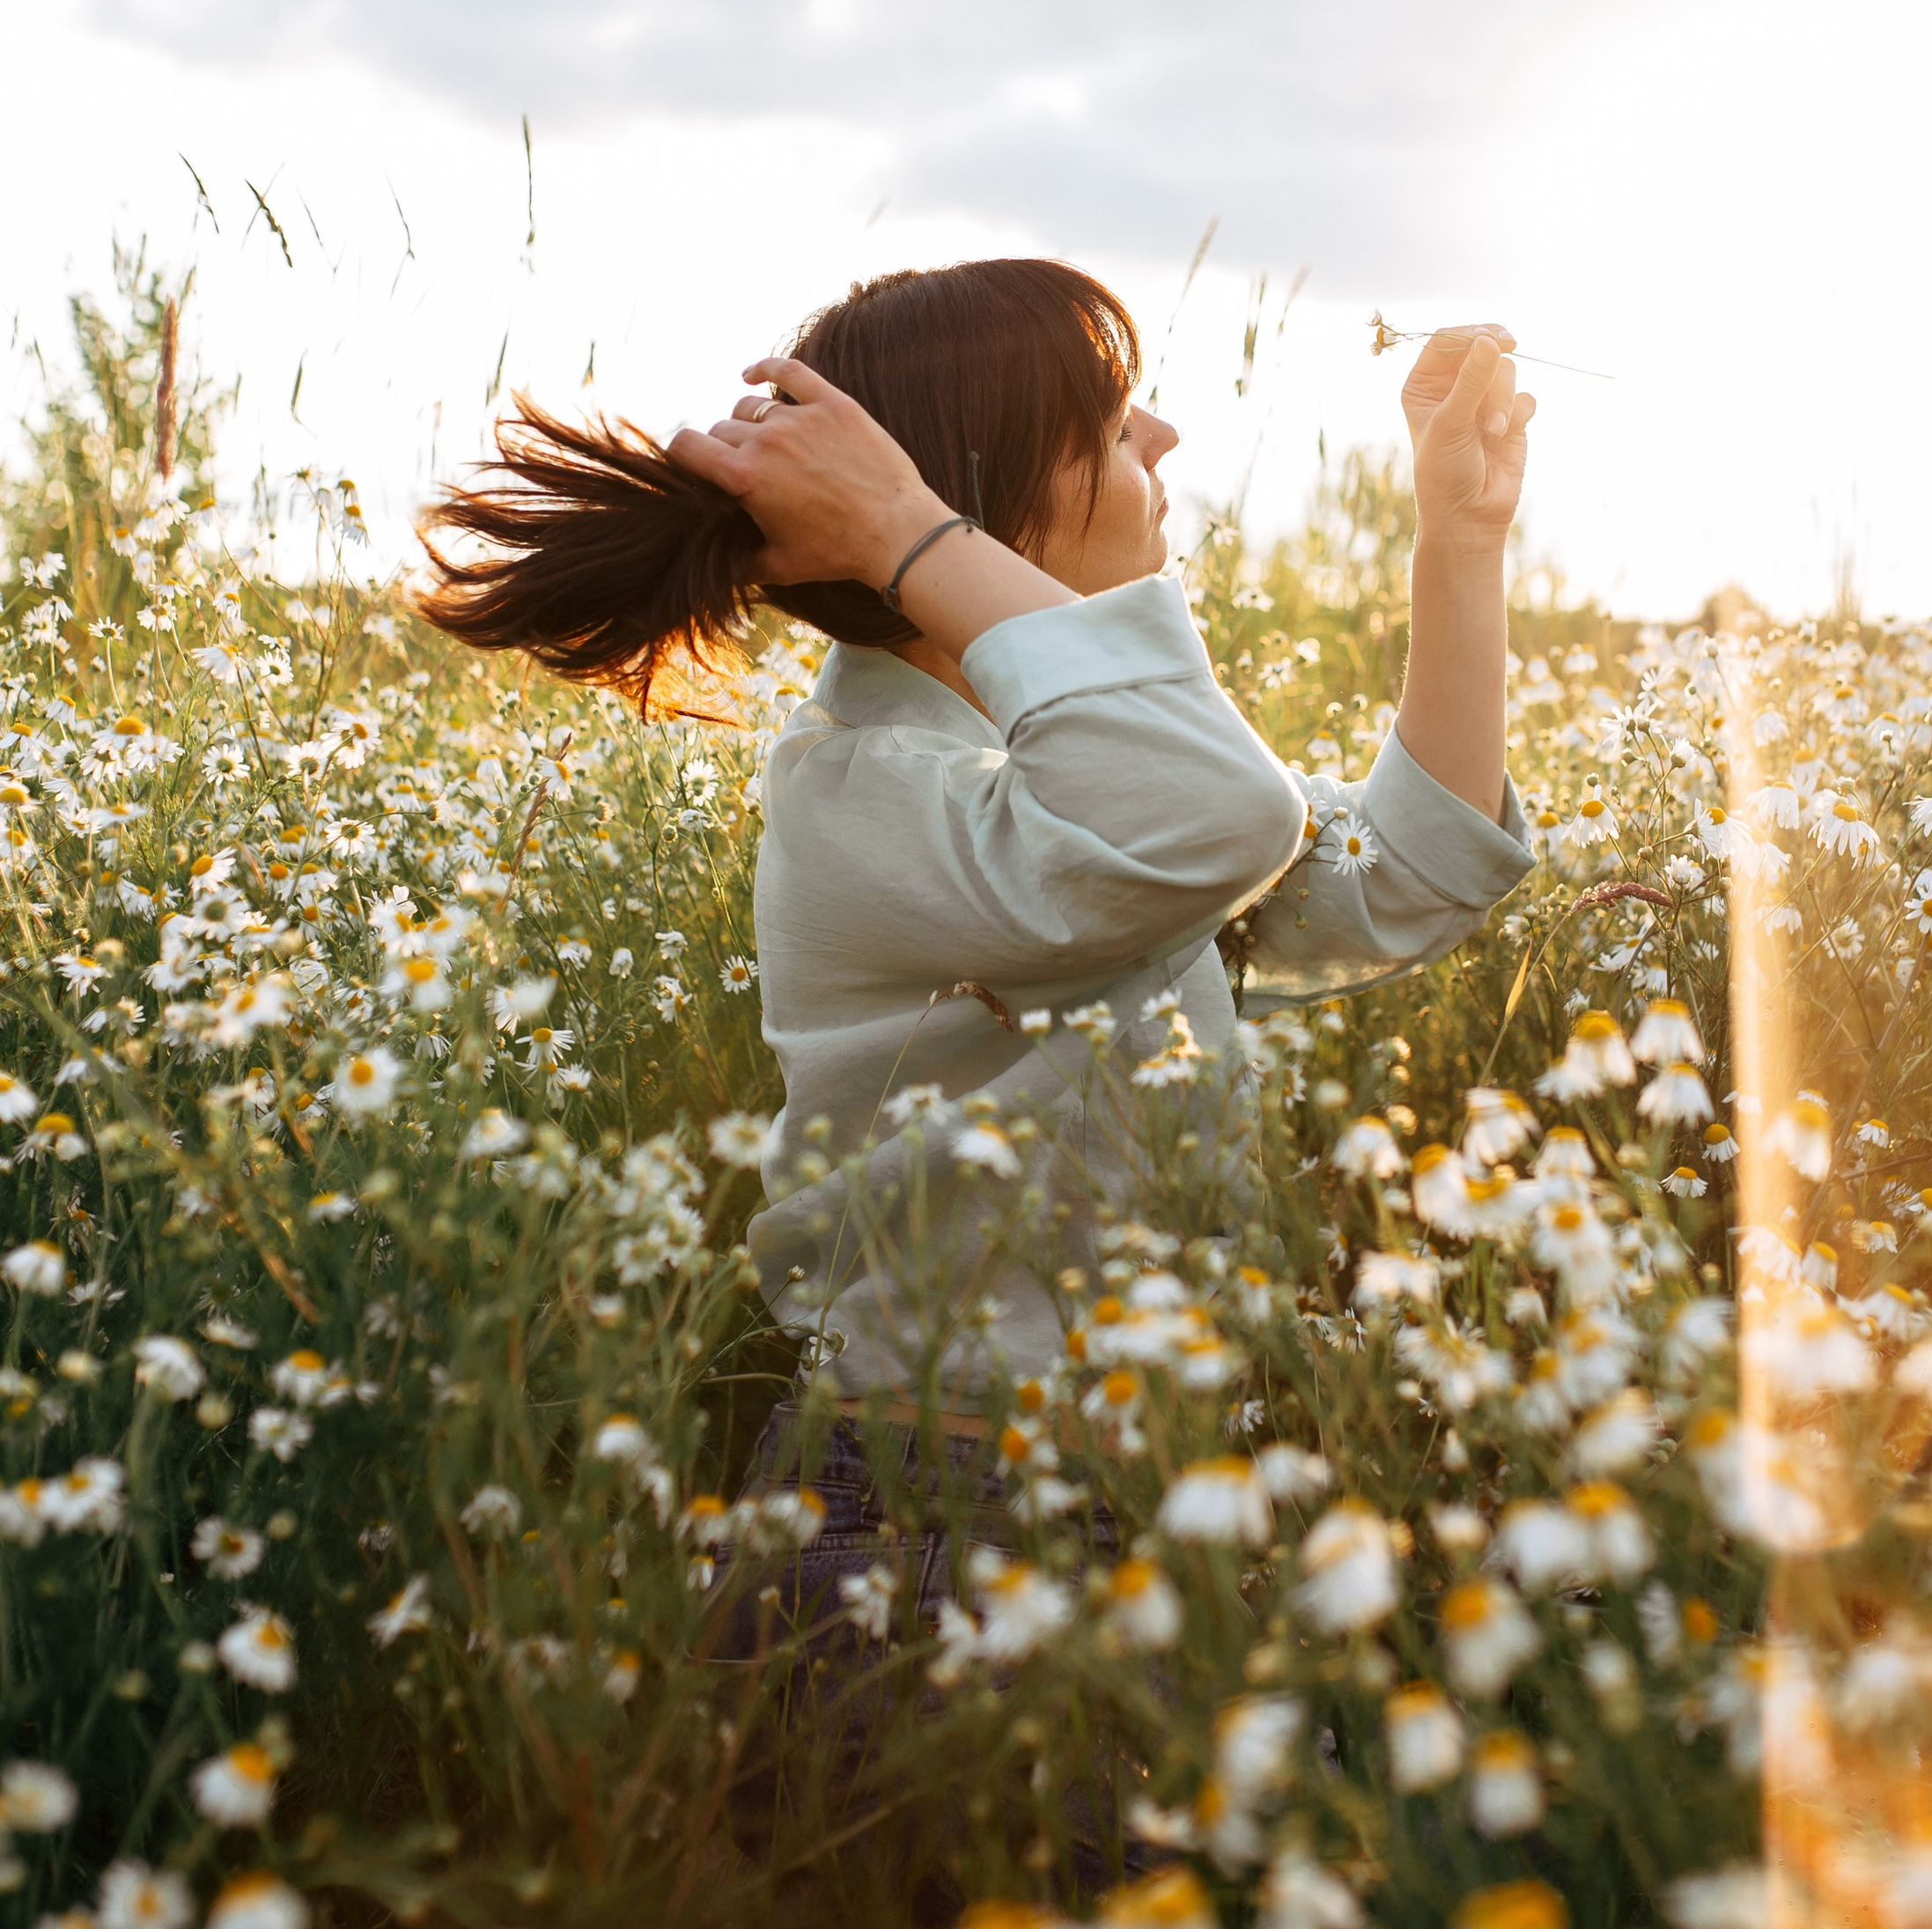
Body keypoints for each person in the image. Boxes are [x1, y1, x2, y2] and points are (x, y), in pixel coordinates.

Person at [417, 256, 1536, 1422]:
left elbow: (1400, 875)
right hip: (940, 1505)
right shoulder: (863, 786)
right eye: (1106, 421)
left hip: (1122, 1481)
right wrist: (903, 528)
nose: (1162, 432)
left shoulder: (1071, 768)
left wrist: (1460, 537)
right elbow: (1234, 816)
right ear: (978, 496)